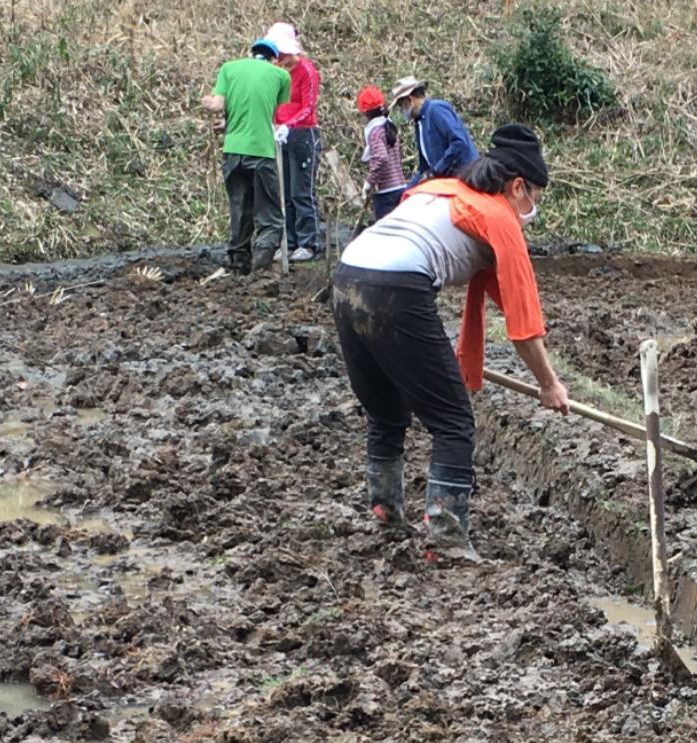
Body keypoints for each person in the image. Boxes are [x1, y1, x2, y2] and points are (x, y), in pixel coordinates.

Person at [332, 124, 570, 561]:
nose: (533, 207)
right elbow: (523, 323)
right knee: (454, 422)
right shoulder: (499, 217)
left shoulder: (439, 190)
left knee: (386, 411)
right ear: (518, 186)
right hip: (398, 285)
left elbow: (504, 298)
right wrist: (549, 383)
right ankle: (446, 539)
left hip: (348, 275)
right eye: (535, 196)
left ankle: (385, 510)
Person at [201, 37, 292, 274]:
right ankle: (260, 268)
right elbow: (271, 110)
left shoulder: (229, 69)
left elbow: (218, 104)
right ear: (274, 59)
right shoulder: (281, 76)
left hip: (233, 150)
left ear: (250, 53)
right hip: (261, 150)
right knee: (270, 213)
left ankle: (238, 263)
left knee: (240, 209)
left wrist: (212, 107)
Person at [265, 23, 323, 263]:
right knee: (285, 191)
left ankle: (308, 241)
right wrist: (273, 123)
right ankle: (288, 240)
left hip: (303, 133)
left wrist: (289, 124)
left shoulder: (307, 71)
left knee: (301, 190)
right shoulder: (278, 73)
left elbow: (308, 106)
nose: (281, 60)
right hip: (280, 133)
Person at [389, 76, 478, 188]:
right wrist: (406, 191)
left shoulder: (435, 109)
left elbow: (459, 142)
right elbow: (425, 167)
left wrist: (436, 171)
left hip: (465, 178)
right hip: (447, 182)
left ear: (409, 100)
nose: (402, 111)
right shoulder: (420, 122)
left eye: (401, 106)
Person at [355, 85, 408, 221]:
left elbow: (382, 159)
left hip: (386, 194)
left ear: (365, 112)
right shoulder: (388, 126)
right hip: (400, 188)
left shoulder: (375, 132)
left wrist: (369, 182)